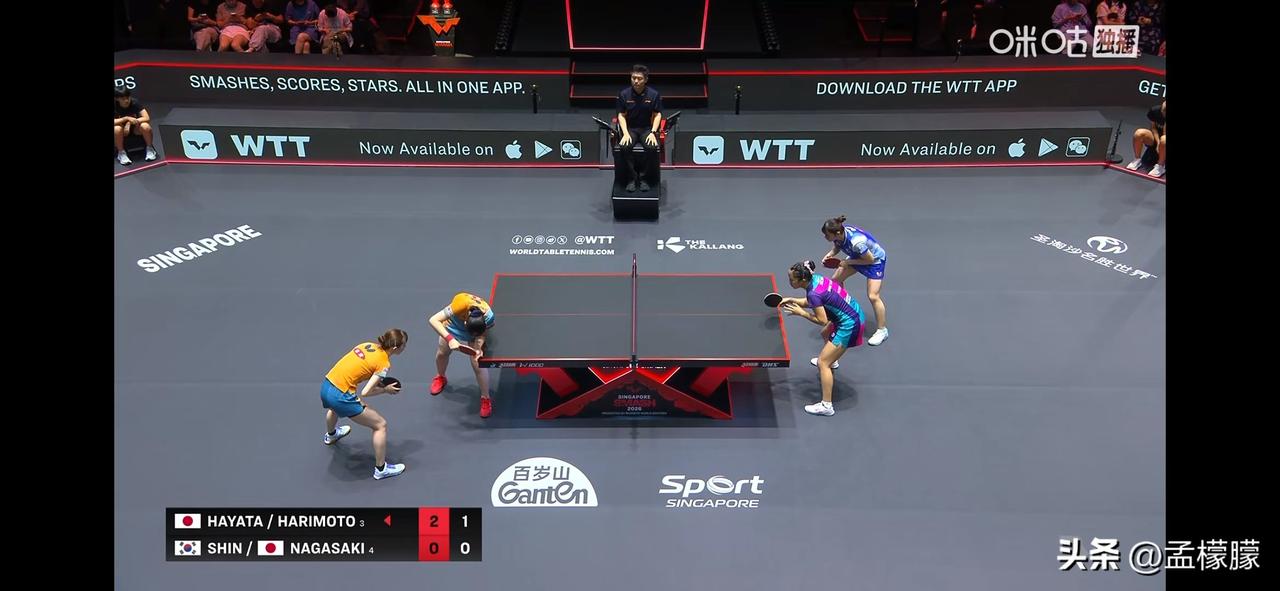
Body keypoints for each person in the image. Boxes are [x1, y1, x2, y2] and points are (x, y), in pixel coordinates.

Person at [321, 329, 408, 480]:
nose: (404, 348)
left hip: (327, 386)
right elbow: (366, 392)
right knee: (380, 425)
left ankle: (331, 435)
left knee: (333, 409)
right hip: (341, 396)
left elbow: (361, 367)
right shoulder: (384, 364)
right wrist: (385, 389)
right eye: (404, 345)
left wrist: (378, 380)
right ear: (395, 348)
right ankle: (381, 469)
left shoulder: (367, 345)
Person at [779, 262, 865, 416]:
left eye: (792, 279)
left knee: (822, 363)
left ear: (802, 280)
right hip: (853, 311)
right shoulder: (816, 279)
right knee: (825, 334)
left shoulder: (813, 293)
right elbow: (813, 302)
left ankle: (826, 406)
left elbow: (822, 320)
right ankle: (833, 360)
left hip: (850, 324)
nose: (789, 282)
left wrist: (802, 313)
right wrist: (792, 299)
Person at [819, 215, 889, 346]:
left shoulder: (857, 243)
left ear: (837, 233)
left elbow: (869, 260)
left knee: (873, 296)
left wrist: (848, 262)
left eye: (827, 235)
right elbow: (837, 245)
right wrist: (830, 255)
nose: (825, 237)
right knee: (836, 280)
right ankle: (843, 310)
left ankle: (882, 330)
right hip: (858, 256)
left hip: (875, 261)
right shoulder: (840, 233)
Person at [428, 292, 496, 418]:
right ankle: (441, 377)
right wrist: (450, 339)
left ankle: (485, 398)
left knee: (478, 363)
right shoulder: (460, 303)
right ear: (465, 323)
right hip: (453, 326)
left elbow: (481, 334)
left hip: (475, 331)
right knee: (442, 352)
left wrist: (479, 348)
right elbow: (433, 320)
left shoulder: (489, 316)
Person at [615, 64, 663, 193]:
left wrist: (653, 132)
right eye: (633, 78)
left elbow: (658, 114)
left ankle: (644, 178)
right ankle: (632, 178)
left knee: (651, 147)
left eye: (639, 78)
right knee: (624, 146)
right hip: (630, 128)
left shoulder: (653, 94)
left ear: (645, 80)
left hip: (646, 128)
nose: (636, 81)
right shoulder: (624, 94)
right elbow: (621, 115)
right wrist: (625, 133)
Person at [114, 87, 157, 165]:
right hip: (121, 130)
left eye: (128, 98)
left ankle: (150, 148)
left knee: (145, 126)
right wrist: (126, 118)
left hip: (135, 128)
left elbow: (146, 117)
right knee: (116, 129)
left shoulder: (135, 102)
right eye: (123, 99)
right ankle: (121, 153)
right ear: (117, 99)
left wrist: (129, 123)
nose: (126, 100)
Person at [1126, 99, 1165, 177]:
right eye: (1162, 111)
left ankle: (1160, 166)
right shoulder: (1155, 110)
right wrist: (1158, 143)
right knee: (1139, 133)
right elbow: (1153, 128)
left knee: (1164, 139)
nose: (1163, 114)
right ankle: (1137, 159)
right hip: (1157, 138)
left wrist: (1161, 142)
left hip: (1165, 140)